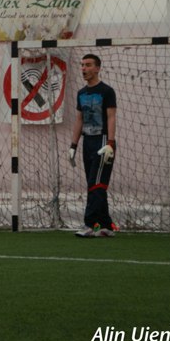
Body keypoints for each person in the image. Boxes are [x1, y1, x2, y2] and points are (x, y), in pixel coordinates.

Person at [68, 54, 117, 238]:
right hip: (87, 141)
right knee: (95, 184)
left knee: (96, 184)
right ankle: (106, 226)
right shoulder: (81, 93)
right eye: (82, 65)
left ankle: (90, 224)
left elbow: (111, 117)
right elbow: (79, 119)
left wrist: (110, 143)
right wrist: (73, 145)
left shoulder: (107, 91)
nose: (84, 68)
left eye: (88, 65)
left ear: (97, 68)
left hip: (102, 141)